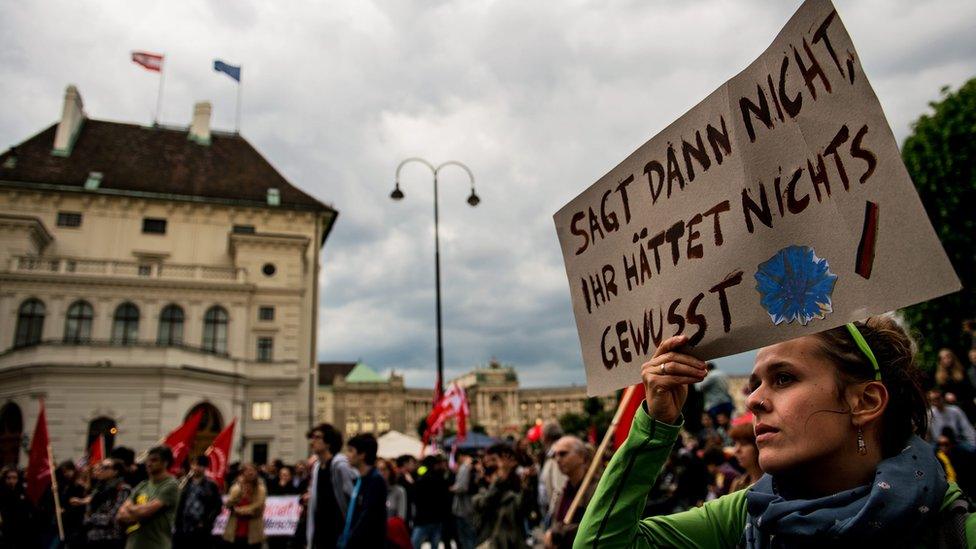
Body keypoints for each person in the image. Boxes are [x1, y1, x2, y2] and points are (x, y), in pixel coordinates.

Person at [576, 317, 976, 547]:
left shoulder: (956, 533)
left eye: (783, 378)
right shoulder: (748, 512)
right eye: (754, 384)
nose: (752, 401)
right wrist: (655, 425)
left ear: (865, 402)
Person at [117, 445, 180, 549]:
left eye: (154, 460)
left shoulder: (171, 485)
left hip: (156, 545)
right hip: (133, 544)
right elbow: (120, 515)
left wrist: (131, 509)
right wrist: (138, 512)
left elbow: (146, 511)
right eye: (148, 460)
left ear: (165, 462)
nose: (149, 464)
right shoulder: (143, 485)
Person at [305, 423, 357, 548]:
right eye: (312, 437)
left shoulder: (340, 466)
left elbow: (354, 496)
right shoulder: (317, 468)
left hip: (338, 532)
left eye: (317, 437)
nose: (313, 442)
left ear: (328, 442)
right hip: (320, 532)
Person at [473, 443, 529, 548]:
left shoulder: (513, 488)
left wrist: (527, 486)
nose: (500, 467)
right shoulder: (481, 490)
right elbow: (484, 503)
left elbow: (522, 509)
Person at [544, 436, 595, 549]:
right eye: (555, 455)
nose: (557, 459)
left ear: (581, 457)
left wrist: (561, 533)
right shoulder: (563, 491)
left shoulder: (595, 491)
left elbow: (593, 529)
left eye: (563, 454)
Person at [337, 433, 387, 548]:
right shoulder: (360, 480)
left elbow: (367, 517)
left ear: (362, 455)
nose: (347, 455)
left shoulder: (375, 480)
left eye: (350, 451)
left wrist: (350, 540)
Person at [174, 455, 222, 547]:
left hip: (201, 528)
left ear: (204, 468)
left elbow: (217, 507)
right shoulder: (184, 483)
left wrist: (206, 522)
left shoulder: (211, 486)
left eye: (199, 465)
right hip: (183, 526)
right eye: (194, 465)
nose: (195, 468)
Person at [85, 458, 132, 549]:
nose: (101, 469)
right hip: (93, 537)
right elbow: (87, 513)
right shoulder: (97, 489)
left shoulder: (122, 489)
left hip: (111, 538)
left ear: (115, 472)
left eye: (105, 467)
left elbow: (113, 517)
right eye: (101, 466)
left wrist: (91, 518)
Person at [222, 462, 266, 548]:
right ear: (242, 473)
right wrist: (239, 492)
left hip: (254, 533)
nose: (251, 473)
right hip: (235, 532)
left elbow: (257, 509)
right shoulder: (236, 488)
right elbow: (228, 505)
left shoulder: (261, 489)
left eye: (253, 470)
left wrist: (238, 510)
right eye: (248, 470)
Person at [411, 455, 450, 549]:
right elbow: (445, 497)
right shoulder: (440, 477)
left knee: (415, 544)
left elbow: (416, 496)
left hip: (423, 517)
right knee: (434, 544)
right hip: (437, 517)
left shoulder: (421, 477)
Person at [538, 421, 567, 526]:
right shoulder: (550, 455)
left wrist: (552, 515)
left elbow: (559, 489)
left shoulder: (557, 455)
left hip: (555, 516)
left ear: (546, 437)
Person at [935, 348, 976, 421]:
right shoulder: (939, 376)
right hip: (951, 407)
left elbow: (969, 389)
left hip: (965, 405)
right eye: (944, 358)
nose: (947, 360)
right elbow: (940, 391)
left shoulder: (962, 371)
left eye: (948, 357)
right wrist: (946, 394)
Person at [450, 453, 478, 549]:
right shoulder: (469, 468)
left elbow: (462, 487)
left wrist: (453, 488)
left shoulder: (465, 468)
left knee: (467, 536)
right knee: (467, 535)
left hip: (464, 507)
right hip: (466, 507)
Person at [0, 466, 32, 548]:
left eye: (14, 478)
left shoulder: (23, 493)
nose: (11, 481)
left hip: (20, 533)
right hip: (4, 532)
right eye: (8, 478)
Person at [727, 422, 762, 492]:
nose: (736, 450)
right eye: (734, 443)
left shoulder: (775, 483)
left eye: (743, 444)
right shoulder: (737, 484)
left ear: (757, 446)